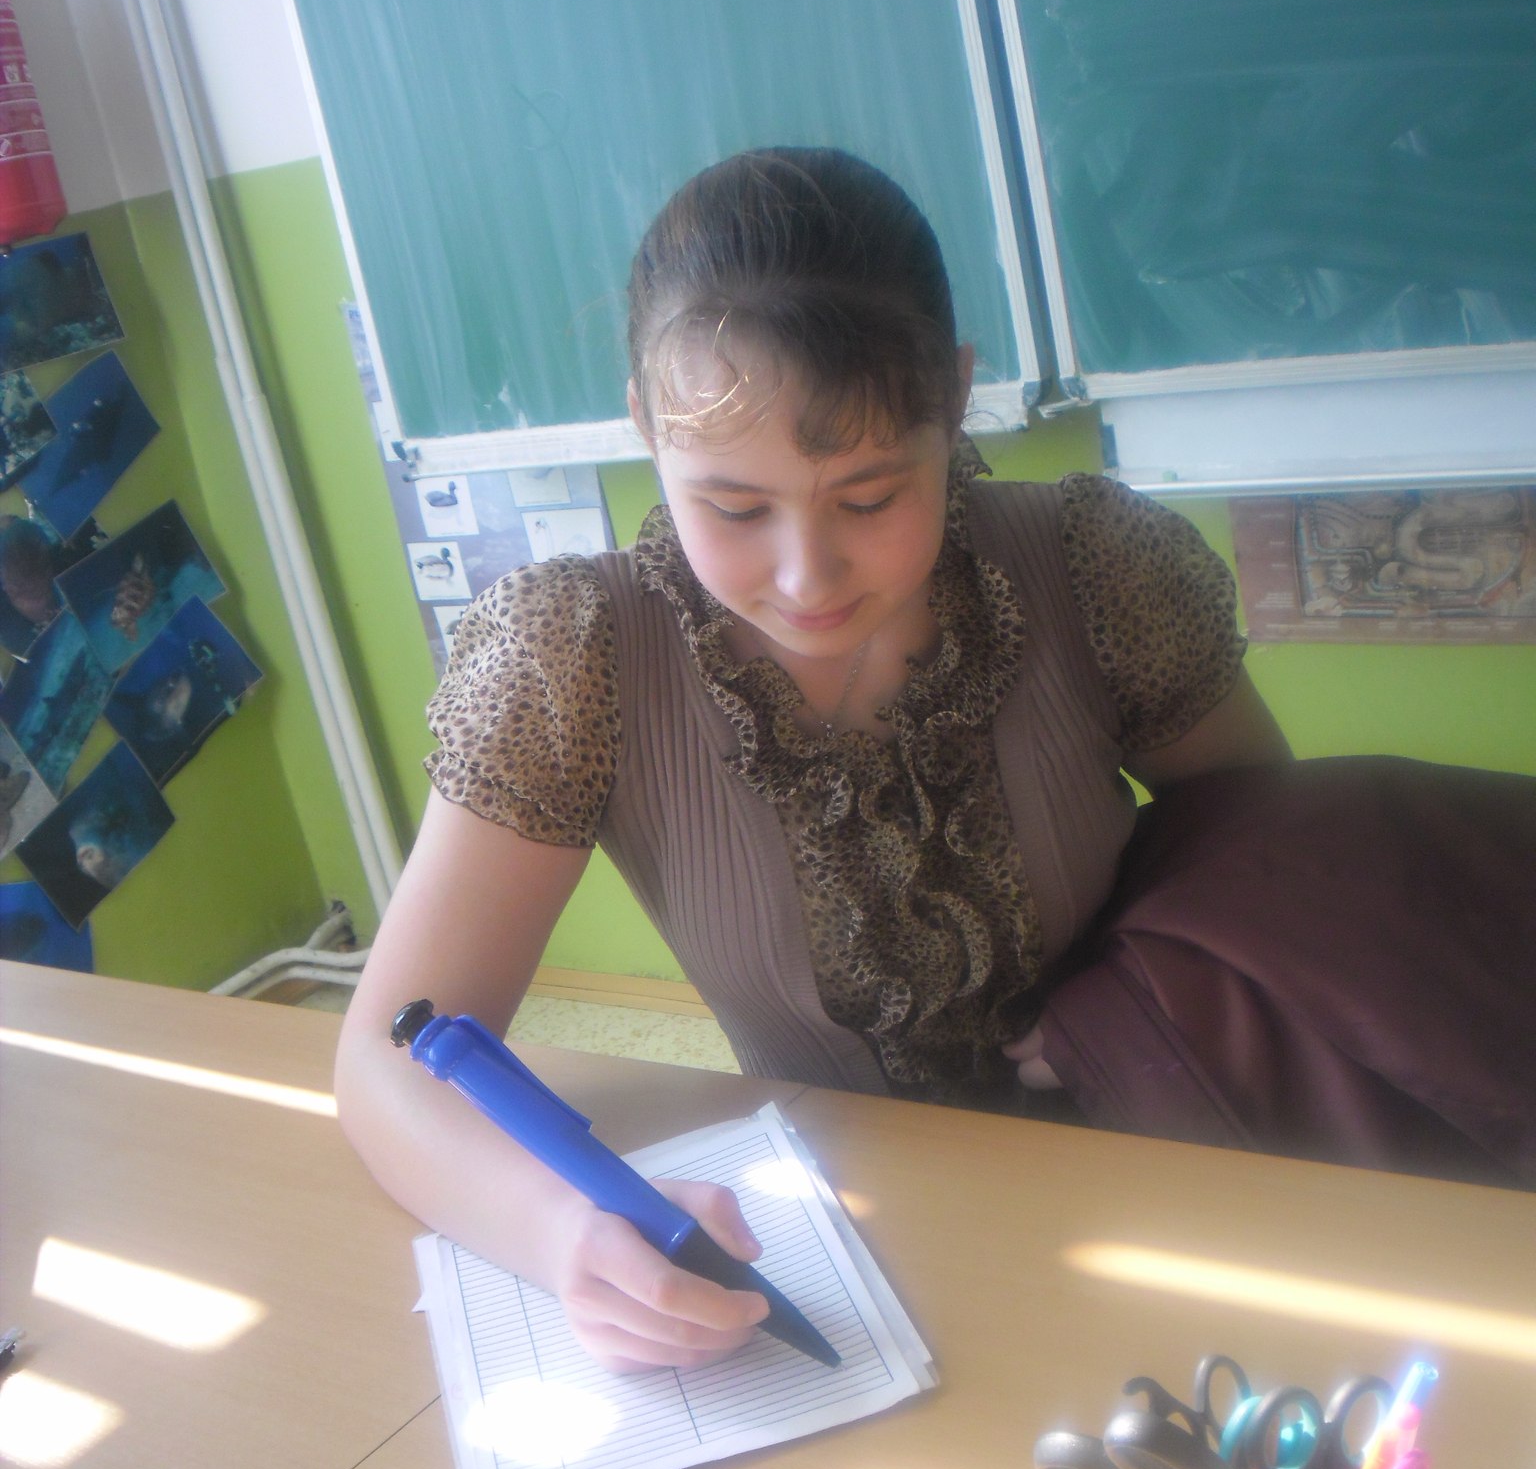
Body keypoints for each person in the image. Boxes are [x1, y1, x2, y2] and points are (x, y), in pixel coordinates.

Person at [336, 148, 1290, 1372]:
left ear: (954, 399)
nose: (806, 576)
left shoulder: (1092, 566)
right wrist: (562, 1230)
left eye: (871, 496)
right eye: (735, 508)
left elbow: (1284, 869)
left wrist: (1147, 1005)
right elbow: (388, 1057)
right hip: (855, 1248)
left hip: (1186, 1173)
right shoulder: (574, 654)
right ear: (645, 425)